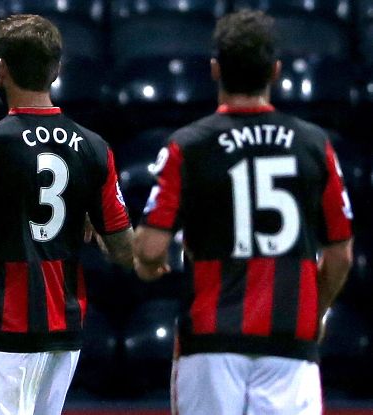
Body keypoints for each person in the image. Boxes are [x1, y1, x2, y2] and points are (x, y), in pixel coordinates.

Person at [0, 14, 134, 415]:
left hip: (5, 328)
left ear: (2, 69)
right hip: (65, 330)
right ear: (56, 70)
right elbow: (125, 251)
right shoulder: (94, 147)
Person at [133, 10, 354, 415]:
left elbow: (149, 249)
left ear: (215, 69)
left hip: (210, 342)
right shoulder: (314, 144)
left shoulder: (188, 145)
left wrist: (148, 267)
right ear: (276, 71)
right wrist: (315, 310)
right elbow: (340, 255)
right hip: (290, 343)